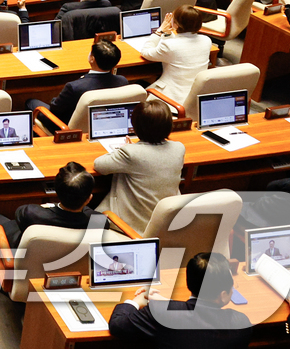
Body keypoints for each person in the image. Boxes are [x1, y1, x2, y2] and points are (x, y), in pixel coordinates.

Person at [110, 252, 249, 349]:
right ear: (223, 295)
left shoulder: (161, 313)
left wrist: (136, 301)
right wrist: (168, 304)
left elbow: (119, 325)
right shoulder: (241, 323)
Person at [94, 98, 186, 233]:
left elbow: (99, 165)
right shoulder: (179, 148)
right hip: (165, 221)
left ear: (136, 127)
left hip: (132, 225)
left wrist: (126, 149)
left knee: (91, 217)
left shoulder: (131, 153)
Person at [27, 41, 127, 123]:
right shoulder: (123, 82)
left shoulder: (75, 87)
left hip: (68, 126)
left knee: (31, 102)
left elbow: (55, 108)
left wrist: (53, 99)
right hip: (107, 122)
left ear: (92, 59)